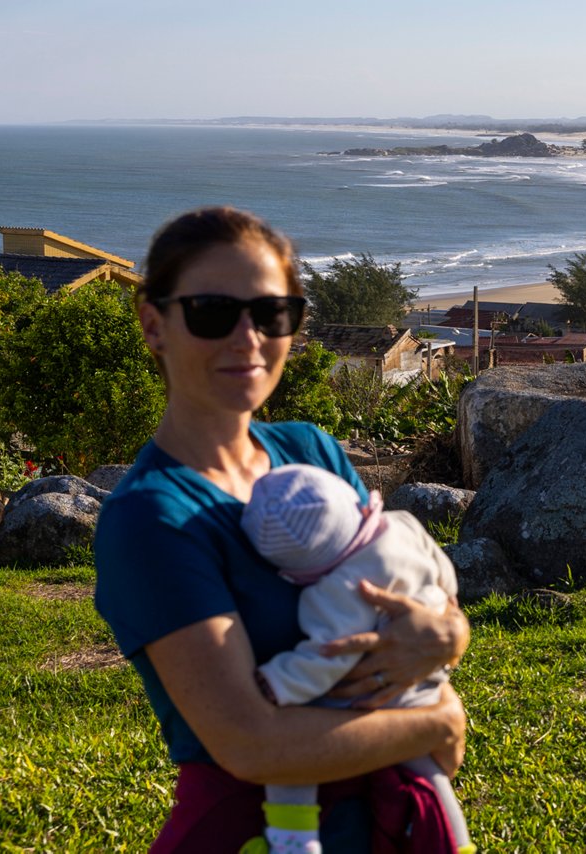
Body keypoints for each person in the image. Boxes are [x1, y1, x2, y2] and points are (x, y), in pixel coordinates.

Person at [94, 206, 469, 852]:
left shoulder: (312, 452)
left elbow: (399, 580)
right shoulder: (153, 518)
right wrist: (437, 722)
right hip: (253, 832)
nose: (248, 338)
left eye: (272, 314)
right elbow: (251, 745)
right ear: (154, 324)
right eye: (213, 312)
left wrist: (451, 632)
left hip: (386, 820)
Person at [241, 464, 473, 853]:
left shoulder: (336, 590)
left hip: (370, 697)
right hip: (428, 686)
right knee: (429, 776)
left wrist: (277, 681)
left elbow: (328, 656)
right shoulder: (403, 525)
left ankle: (293, 840)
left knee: (291, 761)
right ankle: (457, 843)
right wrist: (446, 615)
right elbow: (445, 579)